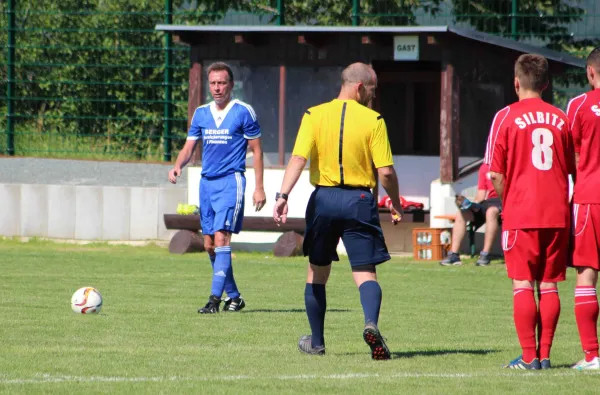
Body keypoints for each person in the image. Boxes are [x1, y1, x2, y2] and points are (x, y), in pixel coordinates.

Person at [273, 62, 403, 360]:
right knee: (365, 271)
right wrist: (395, 202)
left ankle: (316, 342)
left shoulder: (313, 115)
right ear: (360, 87)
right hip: (359, 200)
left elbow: (297, 158)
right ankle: (370, 323)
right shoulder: (374, 120)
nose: (373, 95)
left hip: (324, 200)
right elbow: (386, 173)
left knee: (317, 271)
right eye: (372, 89)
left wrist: (282, 195)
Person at [484, 53, 574, 370]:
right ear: (547, 84)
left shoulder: (506, 116)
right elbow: (571, 167)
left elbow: (495, 174)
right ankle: (545, 356)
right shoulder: (562, 119)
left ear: (516, 82)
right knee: (549, 284)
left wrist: (507, 200)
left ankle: (528, 357)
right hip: (557, 214)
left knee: (522, 284)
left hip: (522, 213)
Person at [168, 62, 266, 314]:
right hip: (207, 183)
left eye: (222, 82)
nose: (217, 87)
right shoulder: (201, 113)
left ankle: (214, 300)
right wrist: (178, 165)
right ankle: (234, 296)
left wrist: (259, 188)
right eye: (213, 83)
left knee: (222, 238)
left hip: (230, 181)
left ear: (231, 85)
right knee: (210, 244)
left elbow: (256, 150)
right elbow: (189, 147)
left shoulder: (244, 112)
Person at [566, 47, 600, 370]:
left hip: (590, 198)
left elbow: (571, 157)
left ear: (590, 72)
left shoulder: (578, 105)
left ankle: (593, 356)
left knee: (586, 276)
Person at [440, 162, 501, 267]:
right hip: (487, 202)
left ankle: (485, 255)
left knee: (491, 211)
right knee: (462, 213)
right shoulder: (485, 167)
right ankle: (454, 255)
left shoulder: (510, 164)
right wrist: (471, 206)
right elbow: (481, 194)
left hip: (504, 202)